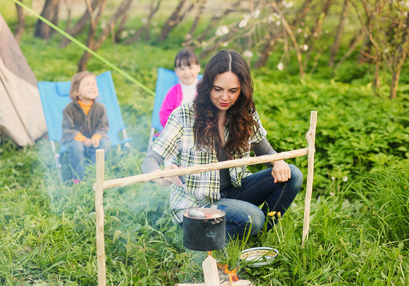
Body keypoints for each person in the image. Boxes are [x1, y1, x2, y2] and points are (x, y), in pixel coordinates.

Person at [141, 49, 303, 240]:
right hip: (198, 205)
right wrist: (159, 176)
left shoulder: (245, 113)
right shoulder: (184, 115)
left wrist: (277, 161)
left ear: (242, 89)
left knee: (293, 175)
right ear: (207, 85)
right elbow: (151, 159)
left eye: (233, 91)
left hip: (233, 192)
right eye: (218, 89)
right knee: (252, 218)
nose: (225, 97)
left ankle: (255, 235)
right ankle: (199, 237)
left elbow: (265, 150)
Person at [61, 71, 111, 183]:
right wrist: (83, 140)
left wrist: (96, 137)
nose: (92, 87)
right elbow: (68, 130)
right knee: (76, 146)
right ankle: (80, 179)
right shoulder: (69, 109)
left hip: (94, 141)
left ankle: (94, 174)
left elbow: (103, 127)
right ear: (77, 91)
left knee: (106, 143)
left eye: (94, 84)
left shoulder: (101, 108)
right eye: (87, 85)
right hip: (75, 141)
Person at [158, 48, 201, 130]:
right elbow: (164, 115)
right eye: (182, 69)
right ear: (176, 71)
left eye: (190, 67)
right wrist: (177, 125)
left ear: (198, 68)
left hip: (198, 131)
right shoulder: (173, 92)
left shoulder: (204, 90)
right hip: (176, 131)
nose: (186, 72)